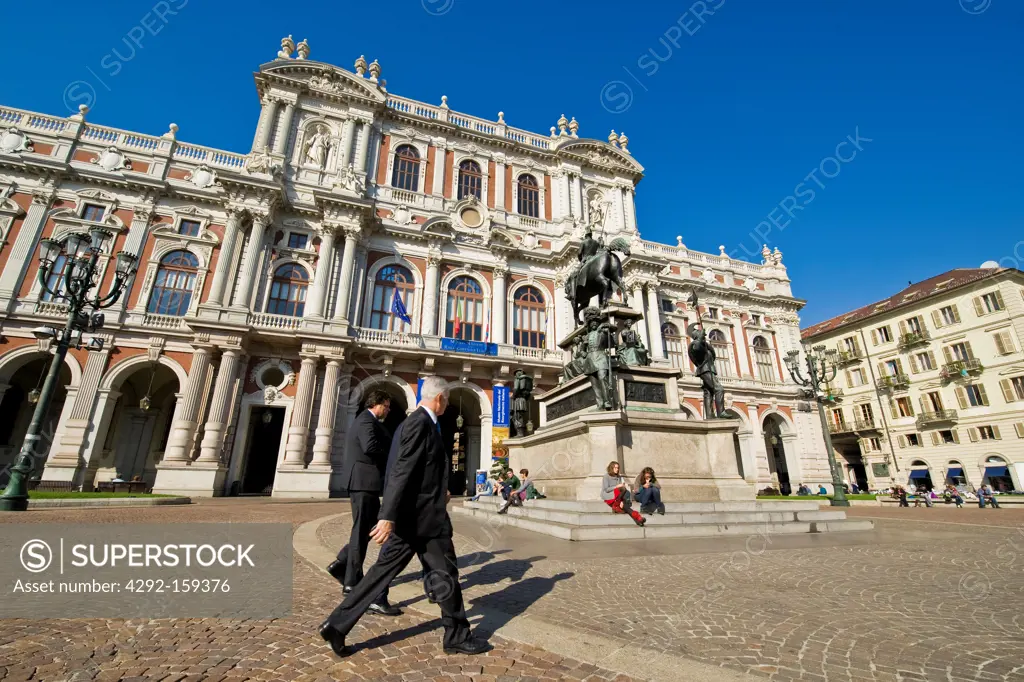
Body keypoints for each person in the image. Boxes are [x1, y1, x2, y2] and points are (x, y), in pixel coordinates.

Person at [319, 376, 490, 658]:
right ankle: (457, 635)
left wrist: (440, 489)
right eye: (446, 401)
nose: (446, 405)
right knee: (443, 573)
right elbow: (401, 470)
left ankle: (336, 625)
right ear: (440, 399)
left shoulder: (417, 424)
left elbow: (419, 469)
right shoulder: (419, 424)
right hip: (422, 519)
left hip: (419, 517)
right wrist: (387, 516)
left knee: (386, 575)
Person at [327, 389, 401, 616]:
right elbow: (370, 447)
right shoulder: (366, 421)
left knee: (368, 529)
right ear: (376, 404)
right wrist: (391, 454)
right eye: (386, 406)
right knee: (362, 531)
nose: (388, 410)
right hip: (363, 481)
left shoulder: (368, 420)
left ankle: (342, 564)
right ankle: (351, 580)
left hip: (365, 482)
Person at [602, 461, 645, 526]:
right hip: (609, 496)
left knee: (625, 506)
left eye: (618, 468)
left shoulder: (619, 477)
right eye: (615, 468)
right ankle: (638, 517)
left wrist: (621, 501)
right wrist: (616, 486)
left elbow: (620, 492)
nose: (617, 469)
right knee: (622, 488)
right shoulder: (606, 476)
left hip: (617, 498)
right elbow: (606, 489)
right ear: (611, 468)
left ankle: (638, 520)